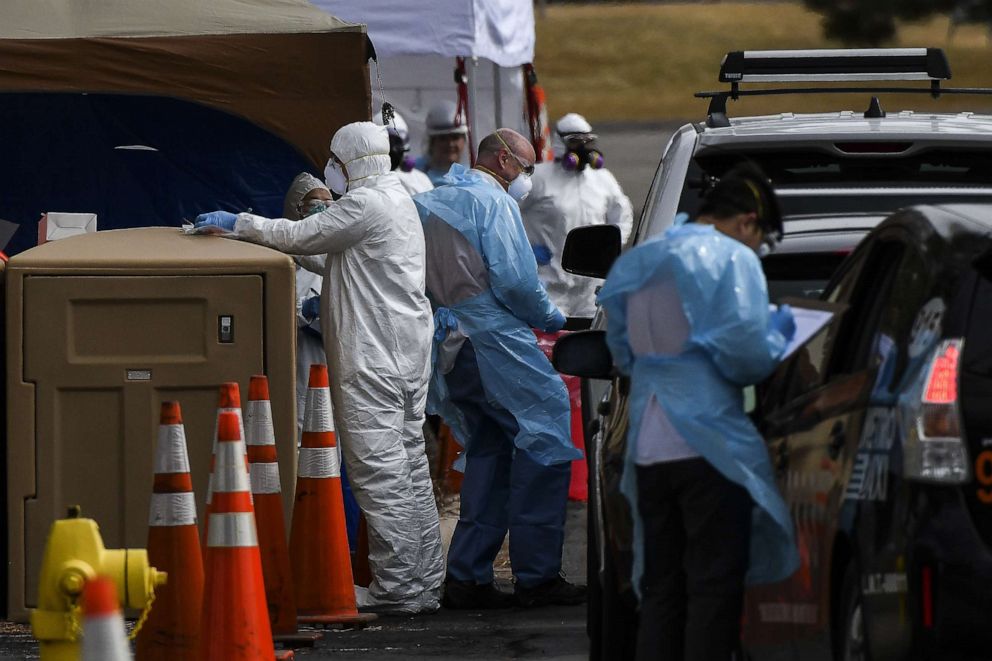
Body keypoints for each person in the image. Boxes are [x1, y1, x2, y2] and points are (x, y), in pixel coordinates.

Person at [194, 121, 444, 615]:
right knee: (411, 468)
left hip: (373, 357)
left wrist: (239, 224)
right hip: (405, 356)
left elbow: (301, 234)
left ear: (351, 160)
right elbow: (342, 263)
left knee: (379, 472)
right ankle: (423, 583)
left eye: (334, 158)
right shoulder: (397, 199)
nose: (329, 168)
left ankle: (396, 590)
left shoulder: (365, 203)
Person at [596, 163, 800, 660]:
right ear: (748, 221)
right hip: (707, 445)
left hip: (648, 445)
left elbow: (620, 352)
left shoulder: (643, 260)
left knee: (662, 590)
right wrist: (780, 335)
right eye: (760, 240)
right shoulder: (732, 260)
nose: (756, 250)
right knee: (713, 587)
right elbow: (745, 356)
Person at [413, 128, 586, 609]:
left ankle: (468, 575)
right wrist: (548, 316)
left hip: (450, 341)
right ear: (504, 160)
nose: (527, 177)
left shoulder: (433, 201)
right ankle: (537, 574)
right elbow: (513, 280)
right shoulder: (493, 203)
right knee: (545, 435)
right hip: (493, 337)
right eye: (526, 166)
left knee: (489, 448)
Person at [520, 113, 633, 319]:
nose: (582, 148)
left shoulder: (603, 179)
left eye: (588, 142)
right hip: (549, 286)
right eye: (575, 142)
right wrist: (522, 249)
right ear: (559, 142)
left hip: (591, 289)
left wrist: (610, 247)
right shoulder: (538, 178)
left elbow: (622, 215)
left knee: (589, 341)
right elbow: (506, 211)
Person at [281, 173, 332, 438]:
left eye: (329, 203)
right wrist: (306, 310)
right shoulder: (282, 263)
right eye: (314, 203)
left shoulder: (337, 260)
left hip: (331, 370)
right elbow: (274, 309)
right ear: (295, 208)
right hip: (296, 365)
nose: (323, 209)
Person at [374, 110, 434, 196]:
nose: (393, 149)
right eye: (387, 141)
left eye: (397, 142)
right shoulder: (365, 181)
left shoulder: (421, 181)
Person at [415, 100, 468, 186]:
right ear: (432, 142)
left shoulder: (471, 177)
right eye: (443, 138)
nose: (450, 144)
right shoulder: (414, 172)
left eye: (455, 137)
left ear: (464, 140)